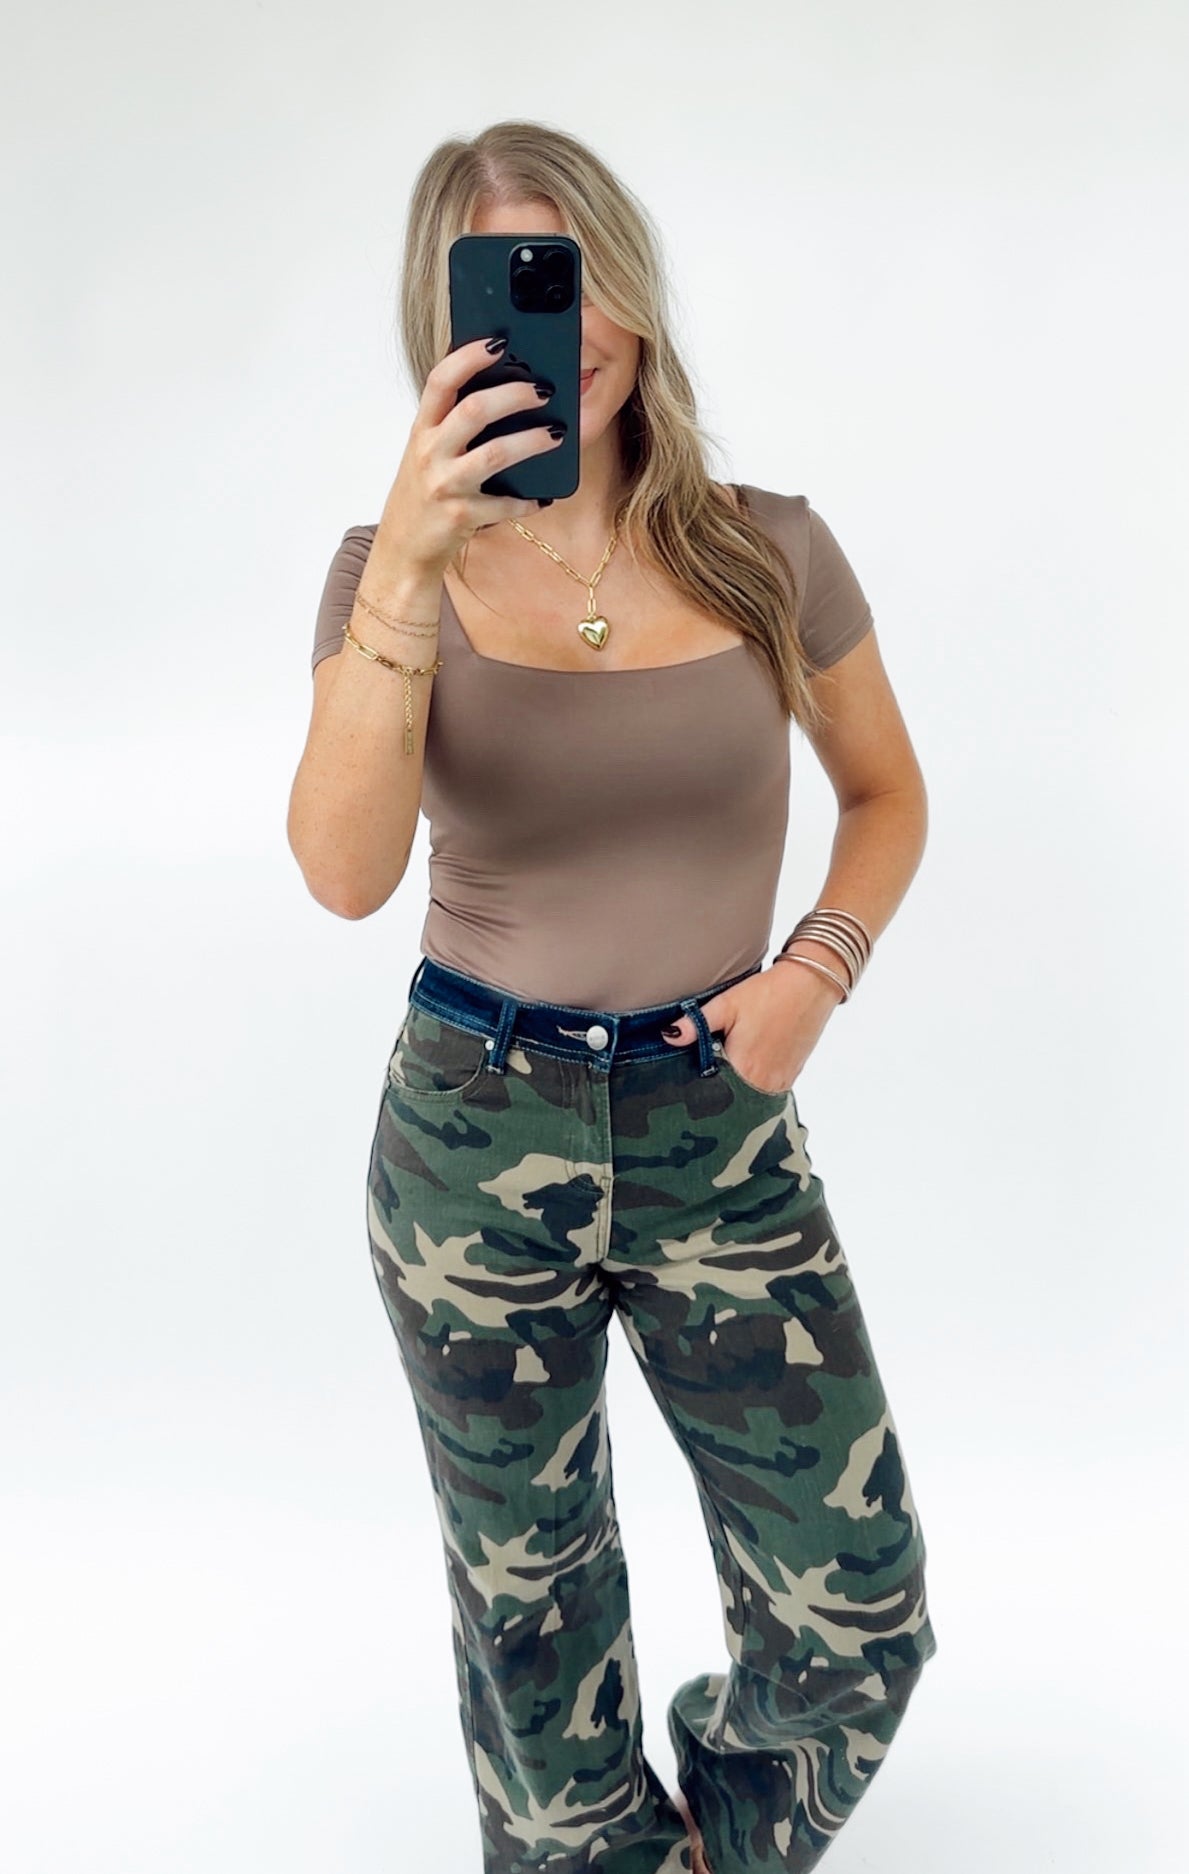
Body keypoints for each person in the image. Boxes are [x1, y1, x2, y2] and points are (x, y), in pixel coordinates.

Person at [288, 120, 938, 1874]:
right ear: (446, 327)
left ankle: (712, 1844)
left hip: (717, 1117)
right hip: (472, 1130)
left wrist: (814, 972)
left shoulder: (764, 549)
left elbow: (887, 794)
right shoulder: (385, 571)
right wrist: (410, 564)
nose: (561, 330)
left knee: (860, 1607)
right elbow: (342, 872)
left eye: (577, 276)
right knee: (536, 1625)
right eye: (511, 289)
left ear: (633, 295)